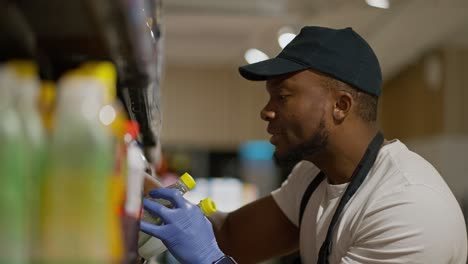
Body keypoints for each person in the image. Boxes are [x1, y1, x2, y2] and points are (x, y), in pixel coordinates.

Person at [141, 26, 468, 264]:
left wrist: (212, 261)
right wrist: (135, 181)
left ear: (341, 105)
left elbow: (216, 250)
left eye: (282, 97)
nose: (266, 111)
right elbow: (231, 237)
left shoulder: (408, 209)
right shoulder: (314, 175)